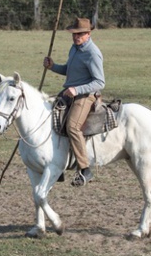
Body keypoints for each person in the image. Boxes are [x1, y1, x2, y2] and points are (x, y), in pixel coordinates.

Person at [43, 17, 105, 187]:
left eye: (80, 34)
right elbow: (69, 70)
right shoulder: (75, 49)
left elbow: (100, 82)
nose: (76, 37)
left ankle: (85, 169)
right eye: (74, 34)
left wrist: (77, 90)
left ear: (88, 34)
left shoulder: (93, 53)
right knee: (50, 117)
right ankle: (58, 164)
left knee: (72, 126)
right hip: (69, 92)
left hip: (86, 95)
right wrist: (53, 66)